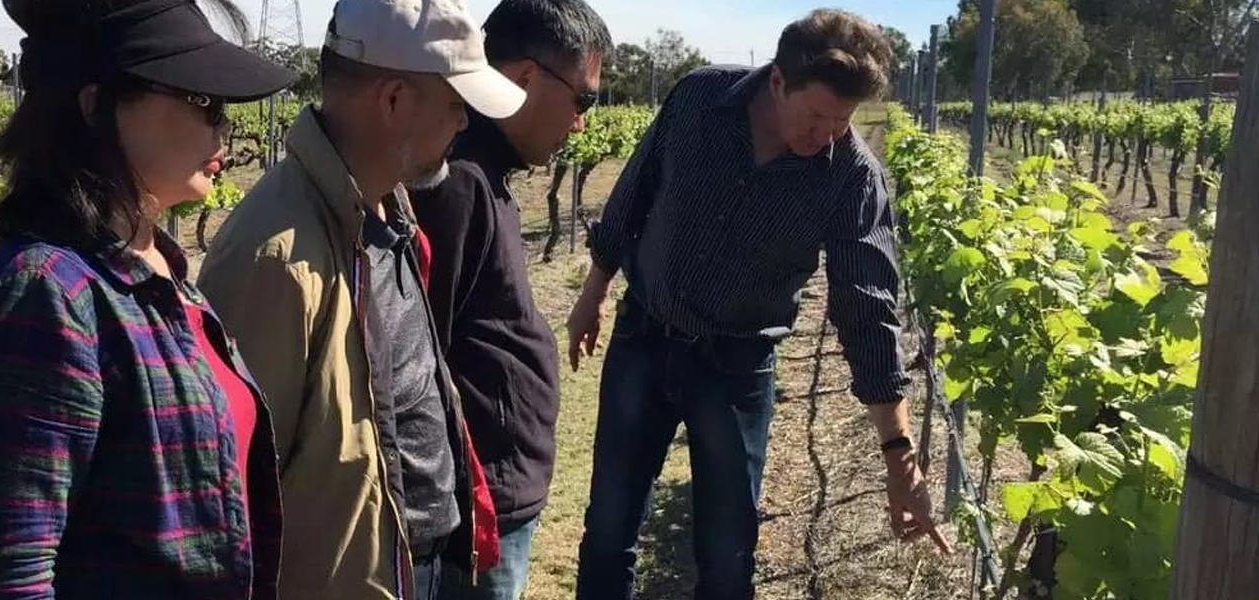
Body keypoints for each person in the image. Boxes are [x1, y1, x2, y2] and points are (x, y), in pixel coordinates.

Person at [566, 9, 953, 600]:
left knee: (728, 557)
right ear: (778, 81)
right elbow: (634, 191)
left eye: (842, 121)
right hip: (643, 339)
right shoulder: (698, 98)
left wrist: (898, 456)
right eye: (816, 114)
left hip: (736, 368)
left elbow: (866, 312)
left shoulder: (852, 177)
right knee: (609, 530)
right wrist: (592, 293)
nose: (825, 134)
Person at [0, 0, 295, 598]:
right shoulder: (45, 298)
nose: (223, 125)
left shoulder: (155, 270)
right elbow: (4, 580)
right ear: (96, 106)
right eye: (201, 99)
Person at [196, 0, 526, 597]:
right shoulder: (277, 259)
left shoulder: (383, 204)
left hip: (414, 562)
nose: (464, 125)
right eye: (455, 105)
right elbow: (238, 486)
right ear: (394, 100)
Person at [407, 0, 609, 598]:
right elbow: (423, 356)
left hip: (496, 488)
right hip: (477, 502)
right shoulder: (461, 181)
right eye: (583, 100)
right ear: (524, 76)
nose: (581, 125)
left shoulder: (484, 173)